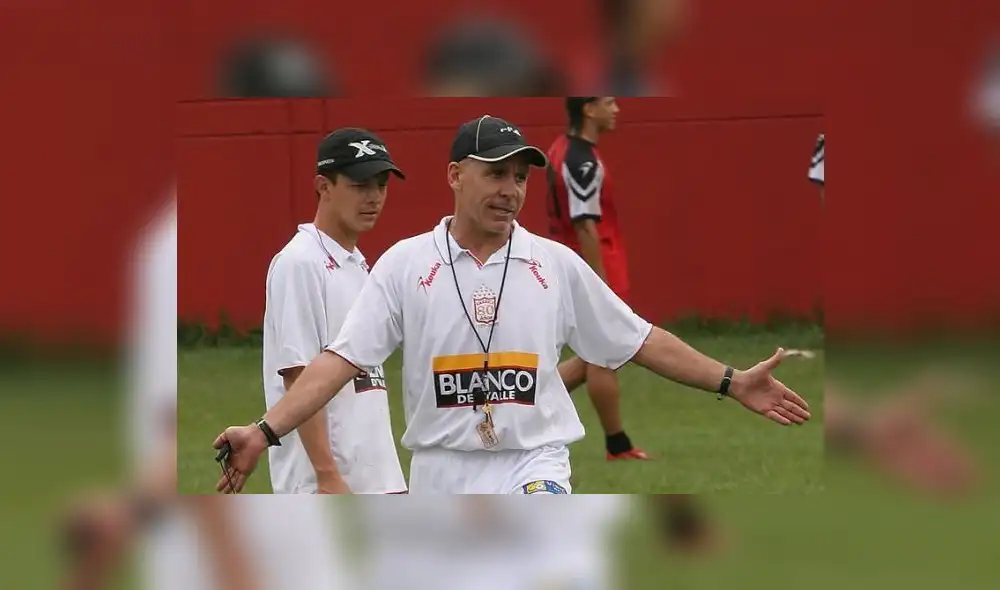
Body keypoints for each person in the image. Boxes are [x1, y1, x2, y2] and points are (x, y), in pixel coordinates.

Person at [212, 114, 811, 495]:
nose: (511, 190)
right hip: (440, 474)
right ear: (455, 175)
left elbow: (639, 339)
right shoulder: (404, 264)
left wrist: (732, 381)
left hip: (534, 465)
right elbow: (336, 363)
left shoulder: (554, 263)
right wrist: (265, 431)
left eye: (520, 178)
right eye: (496, 174)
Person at [61, 193, 351, 590]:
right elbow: (173, 433)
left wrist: (124, 513)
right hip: (241, 554)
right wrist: (236, 572)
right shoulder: (171, 247)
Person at [262, 127, 407, 495]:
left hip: (374, 477)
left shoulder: (357, 264)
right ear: (323, 186)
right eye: (360, 185)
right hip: (325, 482)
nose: (374, 197)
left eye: (381, 185)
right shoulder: (299, 262)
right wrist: (327, 474)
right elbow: (298, 374)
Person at [546, 96, 649, 461]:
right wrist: (598, 280)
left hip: (581, 258)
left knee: (599, 353)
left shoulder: (562, 148)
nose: (617, 108)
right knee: (603, 352)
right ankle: (617, 444)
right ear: (588, 109)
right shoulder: (581, 159)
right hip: (592, 261)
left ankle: (518, 400)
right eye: (608, 102)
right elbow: (585, 223)